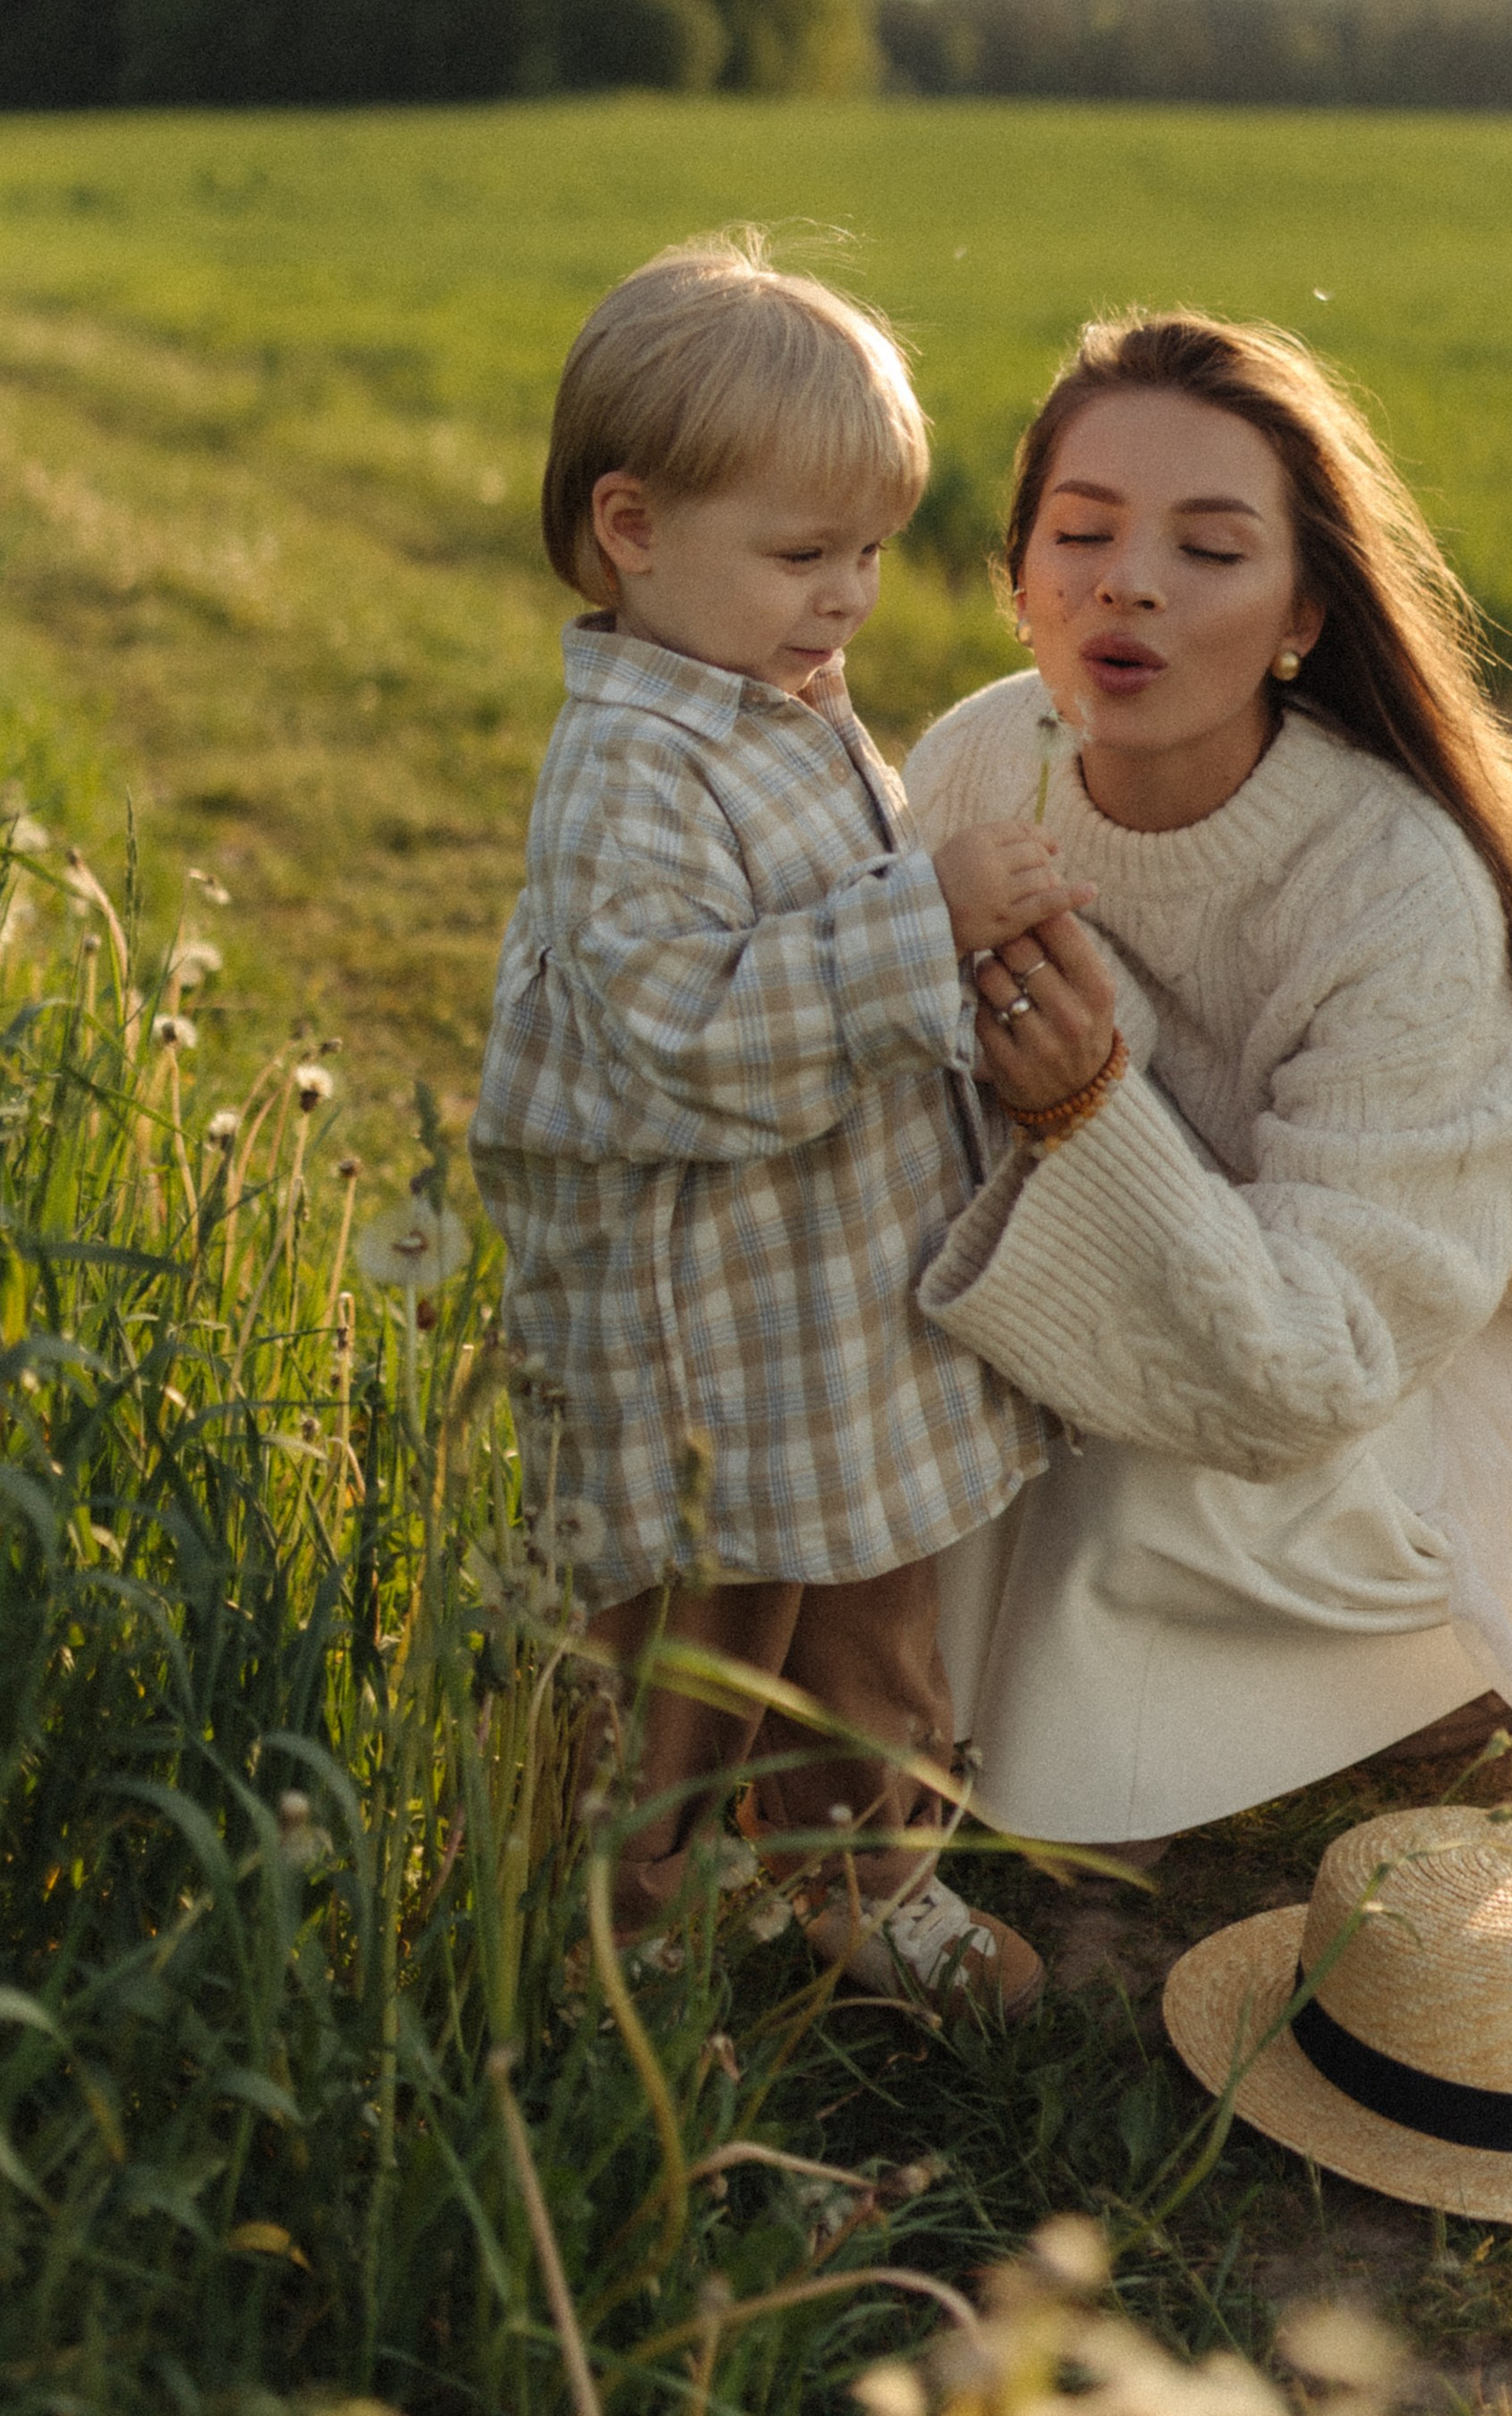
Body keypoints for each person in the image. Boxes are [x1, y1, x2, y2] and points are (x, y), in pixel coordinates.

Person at [906, 312, 1512, 1853]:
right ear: (1018, 580)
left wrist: (1087, 1108)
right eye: (1081, 531)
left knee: (1117, 1514)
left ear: (1303, 610)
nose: (1124, 583)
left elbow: (1309, 1374)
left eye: (1210, 549)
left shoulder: (1395, 892)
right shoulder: (978, 767)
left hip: (1364, 1362)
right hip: (1112, 1276)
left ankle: (1428, 1652)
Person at [470, 235, 1093, 2009]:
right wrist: (924, 922)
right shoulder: (627, 770)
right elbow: (685, 1033)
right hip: (696, 1332)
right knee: (689, 1639)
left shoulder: (779, 700)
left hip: (829, 1302)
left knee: (871, 1616)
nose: (850, 600)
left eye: (874, 553)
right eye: (804, 554)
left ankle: (867, 1879)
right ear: (633, 528)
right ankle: (640, 1915)